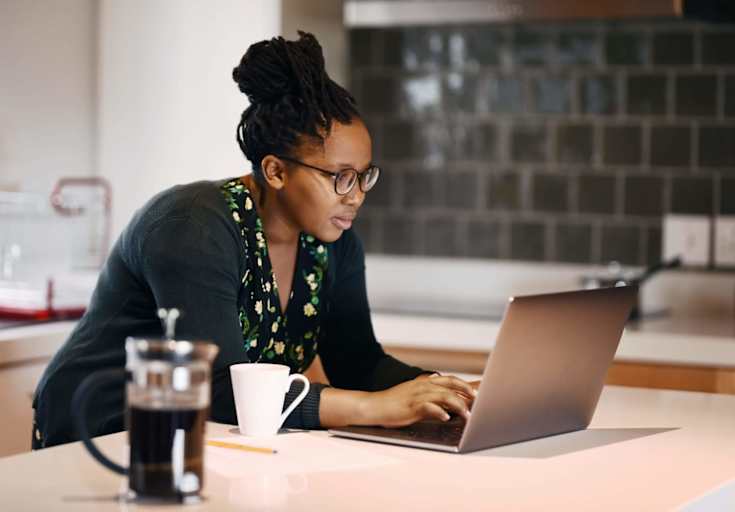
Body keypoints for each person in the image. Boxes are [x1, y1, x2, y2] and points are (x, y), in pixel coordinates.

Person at [32, 31, 476, 449]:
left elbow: (357, 361)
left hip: (202, 439)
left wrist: (450, 392)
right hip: (103, 432)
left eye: (363, 177)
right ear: (276, 171)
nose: (356, 196)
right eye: (340, 178)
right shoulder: (194, 227)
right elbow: (223, 388)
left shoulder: (335, 242)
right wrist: (373, 406)